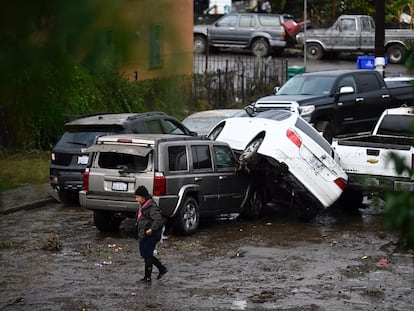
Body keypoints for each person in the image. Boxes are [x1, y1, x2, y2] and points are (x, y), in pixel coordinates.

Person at [135, 185, 167, 283]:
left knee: (147, 255)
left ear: (143, 198)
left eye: (137, 197)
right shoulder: (144, 206)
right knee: (144, 253)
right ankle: (161, 268)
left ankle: (147, 277)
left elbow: (158, 220)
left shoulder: (151, 206)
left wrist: (151, 229)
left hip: (150, 235)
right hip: (143, 234)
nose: (136, 199)